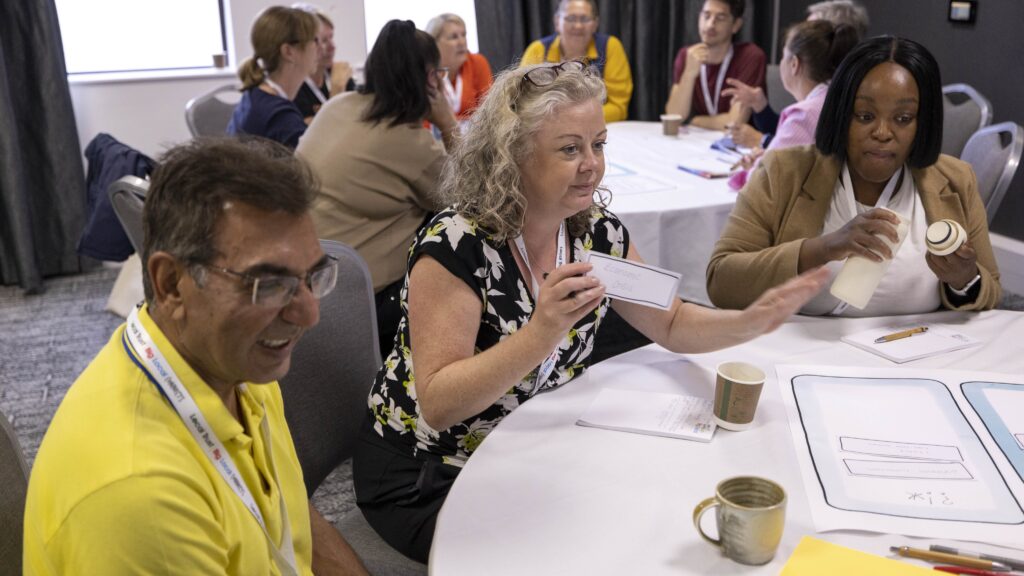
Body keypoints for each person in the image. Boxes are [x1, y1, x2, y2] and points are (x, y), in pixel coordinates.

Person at [352, 60, 829, 563]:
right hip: (430, 469)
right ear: (512, 155)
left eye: (598, 144)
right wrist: (541, 332)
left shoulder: (594, 230)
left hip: (526, 443)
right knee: (576, 549)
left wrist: (751, 320)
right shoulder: (457, 245)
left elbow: (669, 321)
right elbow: (439, 402)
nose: (592, 165)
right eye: (569, 149)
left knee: (638, 518)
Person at [23, 138, 368, 575]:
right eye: (268, 284)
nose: (310, 314)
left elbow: (287, 514)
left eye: (313, 275)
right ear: (171, 284)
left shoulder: (236, 365)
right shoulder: (141, 497)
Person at [707, 37, 1002, 315]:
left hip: (916, 359)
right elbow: (721, 281)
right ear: (841, 113)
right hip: (797, 358)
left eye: (903, 119)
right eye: (865, 116)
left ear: (922, 122)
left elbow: (991, 291)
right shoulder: (785, 170)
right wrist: (821, 249)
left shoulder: (955, 180)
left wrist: (966, 280)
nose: (883, 133)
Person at [297, 20, 457, 357]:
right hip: (365, 300)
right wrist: (447, 122)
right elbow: (472, 196)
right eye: (438, 74)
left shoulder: (336, 106)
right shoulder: (409, 143)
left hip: (307, 279)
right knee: (463, 253)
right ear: (428, 79)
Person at [727, 20, 859, 190]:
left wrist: (755, 168)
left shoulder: (805, 115)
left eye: (783, 56)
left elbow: (763, 180)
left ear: (794, 64)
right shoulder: (842, 99)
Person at [724, 0, 869, 149]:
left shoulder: (821, 104)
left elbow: (796, 141)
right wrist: (761, 108)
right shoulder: (828, 92)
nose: (803, 33)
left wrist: (764, 142)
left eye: (812, 29)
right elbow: (792, 131)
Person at [520, 0, 633, 122]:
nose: (578, 26)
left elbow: (618, 107)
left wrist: (574, 119)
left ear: (595, 24)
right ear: (557, 22)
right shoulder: (538, 50)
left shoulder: (610, 47)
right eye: (571, 18)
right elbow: (524, 101)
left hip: (597, 126)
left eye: (585, 19)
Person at [227, 6, 319, 148]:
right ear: (288, 51)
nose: (320, 48)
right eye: (315, 40)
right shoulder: (281, 118)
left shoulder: (254, 94)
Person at [665, 0, 765, 130]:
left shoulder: (750, 57)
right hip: (698, 142)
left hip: (739, 146)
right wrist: (688, 75)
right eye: (706, 16)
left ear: (736, 25)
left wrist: (695, 120)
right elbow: (674, 117)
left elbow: (734, 123)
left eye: (720, 18)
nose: (710, 24)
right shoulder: (687, 55)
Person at [292, 4, 356, 122]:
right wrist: (337, 90)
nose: (332, 46)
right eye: (323, 40)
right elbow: (314, 136)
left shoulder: (337, 73)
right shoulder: (294, 85)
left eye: (331, 37)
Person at [425, 13, 493, 123]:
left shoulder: (477, 63)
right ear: (434, 43)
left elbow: (489, 112)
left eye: (464, 35)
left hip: (474, 137)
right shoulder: (425, 72)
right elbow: (424, 120)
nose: (462, 42)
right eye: (454, 37)